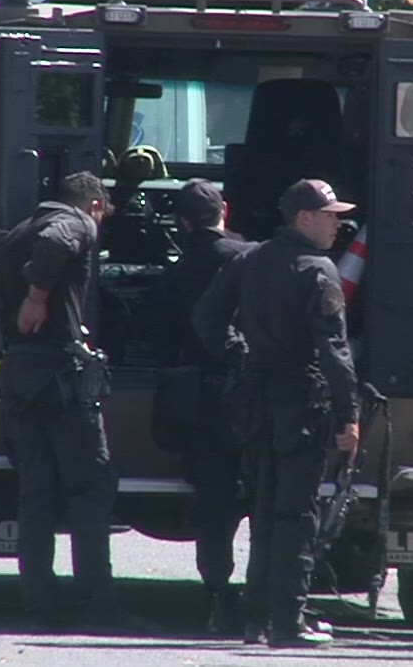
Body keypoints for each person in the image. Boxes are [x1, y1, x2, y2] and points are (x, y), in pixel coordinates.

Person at [193, 179, 361, 649]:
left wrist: (240, 356)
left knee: (263, 509)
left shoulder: (247, 258)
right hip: (301, 403)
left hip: (254, 400)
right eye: (330, 215)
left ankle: (255, 618)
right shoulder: (318, 271)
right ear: (303, 218)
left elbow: (207, 318)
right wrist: (349, 415)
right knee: (296, 515)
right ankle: (289, 620)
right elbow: (334, 351)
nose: (338, 223)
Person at [0, 171, 123, 629]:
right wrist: (38, 297)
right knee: (90, 487)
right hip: (61, 376)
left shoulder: (16, 233)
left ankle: (39, 597)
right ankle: (96, 597)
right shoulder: (77, 222)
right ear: (94, 205)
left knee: (37, 492)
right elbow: (58, 242)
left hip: (21, 371)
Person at [149, 179, 255, 634]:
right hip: (256, 394)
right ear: (225, 210)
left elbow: (152, 326)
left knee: (214, 504)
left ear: (184, 222)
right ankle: (268, 598)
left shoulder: (178, 271)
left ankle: (218, 594)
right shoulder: (254, 258)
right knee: (267, 500)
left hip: (204, 400)